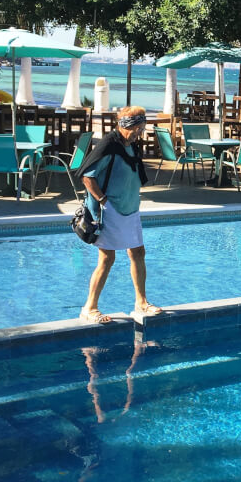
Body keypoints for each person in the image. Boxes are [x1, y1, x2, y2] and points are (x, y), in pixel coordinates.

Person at [77, 105, 162, 323]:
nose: (139, 133)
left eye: (141, 129)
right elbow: (87, 177)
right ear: (125, 126)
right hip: (111, 209)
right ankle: (89, 308)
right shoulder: (109, 145)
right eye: (136, 129)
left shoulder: (130, 145)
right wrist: (103, 201)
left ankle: (141, 302)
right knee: (107, 258)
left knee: (138, 253)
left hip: (130, 209)